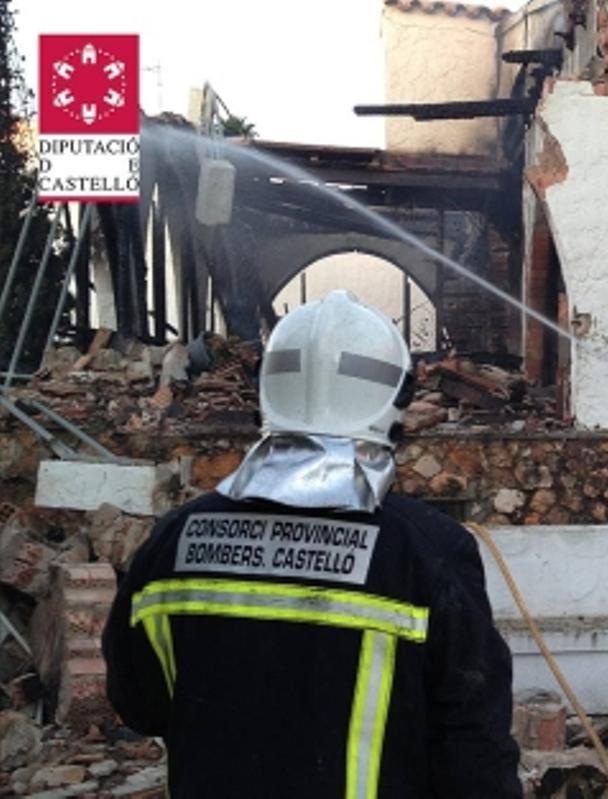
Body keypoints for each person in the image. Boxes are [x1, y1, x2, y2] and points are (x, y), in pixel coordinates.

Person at [102, 290, 522, 799]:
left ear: (268, 389)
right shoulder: (428, 553)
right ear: (396, 398)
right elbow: (473, 748)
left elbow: (140, 704)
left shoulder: (173, 539)